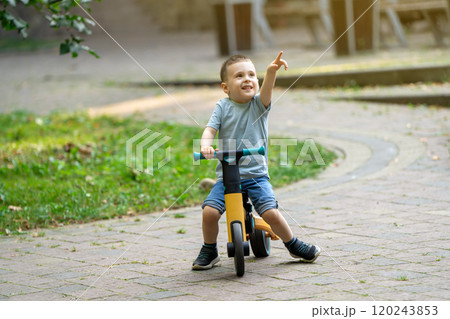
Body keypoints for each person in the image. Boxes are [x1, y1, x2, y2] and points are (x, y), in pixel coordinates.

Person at [192, 52, 321, 270]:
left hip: (256, 176)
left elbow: (268, 90)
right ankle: (209, 249)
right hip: (227, 175)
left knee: (270, 212)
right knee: (209, 213)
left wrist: (271, 72)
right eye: (239, 75)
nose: (247, 79)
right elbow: (210, 129)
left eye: (252, 75)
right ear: (226, 87)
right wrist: (206, 145)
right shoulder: (222, 107)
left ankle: (293, 244)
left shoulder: (258, 105)